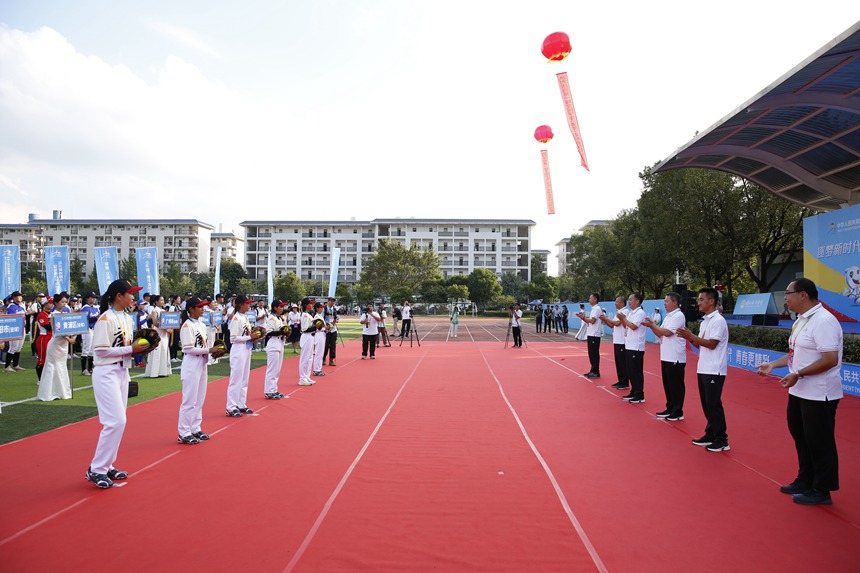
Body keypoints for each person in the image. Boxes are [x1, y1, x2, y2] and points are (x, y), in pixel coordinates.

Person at [757, 278, 843, 505]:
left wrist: (799, 374)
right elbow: (795, 353)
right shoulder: (801, 321)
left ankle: (822, 489)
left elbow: (830, 359)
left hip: (819, 393)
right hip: (799, 391)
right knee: (801, 436)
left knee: (819, 440)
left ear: (803, 294)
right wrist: (774, 365)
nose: (786, 298)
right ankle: (805, 479)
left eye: (788, 293)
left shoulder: (824, 321)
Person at [86, 278, 146, 489]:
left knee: (120, 421)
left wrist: (143, 348)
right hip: (106, 372)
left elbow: (128, 346)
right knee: (115, 421)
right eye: (130, 293)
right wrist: (132, 349)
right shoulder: (105, 318)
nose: (133, 297)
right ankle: (97, 469)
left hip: (122, 370)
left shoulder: (127, 318)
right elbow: (100, 351)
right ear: (119, 296)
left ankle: (107, 464)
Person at [678, 287, 730, 452]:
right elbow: (701, 344)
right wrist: (690, 337)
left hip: (715, 369)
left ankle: (722, 439)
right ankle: (710, 433)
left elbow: (712, 344)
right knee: (707, 404)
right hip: (704, 367)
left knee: (714, 404)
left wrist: (692, 337)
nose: (698, 302)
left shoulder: (718, 321)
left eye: (701, 299)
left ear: (711, 301)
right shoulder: (706, 320)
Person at [177, 296, 217, 444]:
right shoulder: (187, 325)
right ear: (191, 309)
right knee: (189, 400)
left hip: (202, 361)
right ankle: (183, 431)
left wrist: (211, 351)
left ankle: (195, 427)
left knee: (199, 398)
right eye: (199, 307)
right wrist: (209, 350)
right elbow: (188, 348)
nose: (202, 309)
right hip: (192, 362)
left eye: (203, 306)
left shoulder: (200, 323)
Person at [643, 292, 687, 421]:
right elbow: (659, 332)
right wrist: (652, 326)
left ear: (674, 302)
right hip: (666, 355)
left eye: (667, 301)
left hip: (675, 356)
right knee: (668, 384)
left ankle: (677, 411)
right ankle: (670, 407)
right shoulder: (668, 316)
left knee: (676, 385)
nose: (664, 304)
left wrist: (652, 325)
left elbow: (667, 333)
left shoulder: (678, 316)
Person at [37, 294, 75, 401]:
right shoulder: (53, 315)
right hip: (55, 344)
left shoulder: (64, 313)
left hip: (63, 345)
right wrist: (69, 339)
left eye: (65, 302)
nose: (64, 304)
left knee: (61, 366)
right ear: (56, 303)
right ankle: (49, 393)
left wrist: (73, 336)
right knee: (52, 366)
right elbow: (58, 330)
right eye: (62, 302)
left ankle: (62, 391)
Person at [225, 294, 255, 416]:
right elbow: (233, 338)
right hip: (238, 349)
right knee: (236, 378)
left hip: (247, 348)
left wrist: (254, 337)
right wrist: (249, 337)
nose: (249, 305)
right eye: (247, 303)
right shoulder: (236, 318)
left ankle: (241, 403)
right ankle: (231, 406)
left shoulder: (245, 317)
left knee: (244, 378)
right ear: (241, 304)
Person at [616, 292, 647, 403]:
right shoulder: (631, 313)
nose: (629, 301)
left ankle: (639, 394)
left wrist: (623, 318)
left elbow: (633, 326)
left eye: (631, 299)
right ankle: (634, 391)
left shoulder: (640, 313)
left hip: (636, 346)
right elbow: (626, 325)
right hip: (629, 345)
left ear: (637, 301)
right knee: (630, 370)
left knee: (636, 371)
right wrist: (623, 319)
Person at [600, 296, 630, 390]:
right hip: (617, 340)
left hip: (622, 341)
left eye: (617, 302)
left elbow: (617, 323)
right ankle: (620, 380)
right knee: (618, 362)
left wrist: (606, 318)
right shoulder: (618, 312)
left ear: (622, 303)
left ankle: (625, 382)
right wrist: (604, 319)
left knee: (622, 362)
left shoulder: (625, 312)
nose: (615, 303)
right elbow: (612, 325)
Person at [263, 299, 289, 399]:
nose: (282, 308)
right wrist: (281, 332)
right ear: (275, 308)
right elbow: (268, 333)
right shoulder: (271, 318)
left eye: (282, 306)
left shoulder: (279, 318)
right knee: (272, 369)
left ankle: (274, 389)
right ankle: (269, 391)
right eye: (280, 306)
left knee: (277, 369)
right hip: (273, 343)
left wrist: (285, 332)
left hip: (280, 342)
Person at [144, 294, 172, 378]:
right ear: (156, 302)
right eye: (161, 300)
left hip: (164, 333)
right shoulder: (155, 310)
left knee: (164, 350)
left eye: (163, 300)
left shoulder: (163, 310)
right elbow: (155, 322)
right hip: (158, 332)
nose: (162, 302)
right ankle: (154, 371)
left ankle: (163, 370)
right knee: (157, 350)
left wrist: (169, 328)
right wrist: (165, 329)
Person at [577, 293, 603, 378]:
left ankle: (596, 371)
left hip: (594, 335)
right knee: (591, 353)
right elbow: (591, 319)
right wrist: (583, 317)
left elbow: (592, 321)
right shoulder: (593, 309)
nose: (589, 300)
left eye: (590, 298)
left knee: (594, 353)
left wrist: (583, 318)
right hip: (591, 333)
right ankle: (593, 370)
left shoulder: (597, 308)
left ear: (595, 299)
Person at [3, 291, 26, 372]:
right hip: (15, 329)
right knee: (13, 347)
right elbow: (12, 318)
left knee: (19, 348)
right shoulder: (11, 307)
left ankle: (16, 365)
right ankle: (7, 366)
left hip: (22, 328)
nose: (20, 298)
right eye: (18, 296)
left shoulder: (21, 306)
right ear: (14, 297)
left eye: (21, 296)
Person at [298, 297, 317, 385]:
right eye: (310, 303)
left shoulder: (308, 314)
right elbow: (305, 329)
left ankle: (306, 376)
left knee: (309, 358)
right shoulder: (305, 315)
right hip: (306, 336)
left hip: (311, 336)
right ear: (306, 305)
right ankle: (302, 378)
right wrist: (316, 327)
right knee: (305, 358)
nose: (312, 305)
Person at [80, 291, 100, 376]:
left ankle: (90, 368)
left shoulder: (96, 308)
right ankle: (84, 369)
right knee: (86, 349)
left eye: (95, 297)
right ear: (87, 299)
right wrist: (96, 317)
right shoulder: (85, 308)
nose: (94, 299)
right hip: (87, 329)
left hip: (94, 329)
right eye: (92, 297)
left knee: (92, 350)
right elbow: (85, 320)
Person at [311, 301, 327, 377]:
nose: (322, 309)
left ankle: (318, 368)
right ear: (317, 308)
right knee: (318, 352)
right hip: (319, 334)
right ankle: (316, 369)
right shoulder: (316, 316)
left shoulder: (320, 316)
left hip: (322, 333)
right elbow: (318, 326)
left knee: (321, 352)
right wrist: (325, 327)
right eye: (320, 307)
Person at [323, 296, 339, 365]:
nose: (332, 302)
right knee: (326, 345)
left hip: (333, 329)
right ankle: (323, 358)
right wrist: (328, 325)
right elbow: (322, 319)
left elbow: (337, 318)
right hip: (326, 329)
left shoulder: (334, 309)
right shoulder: (324, 309)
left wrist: (335, 322)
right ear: (328, 301)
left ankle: (331, 359)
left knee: (333, 345)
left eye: (333, 301)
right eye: (331, 301)